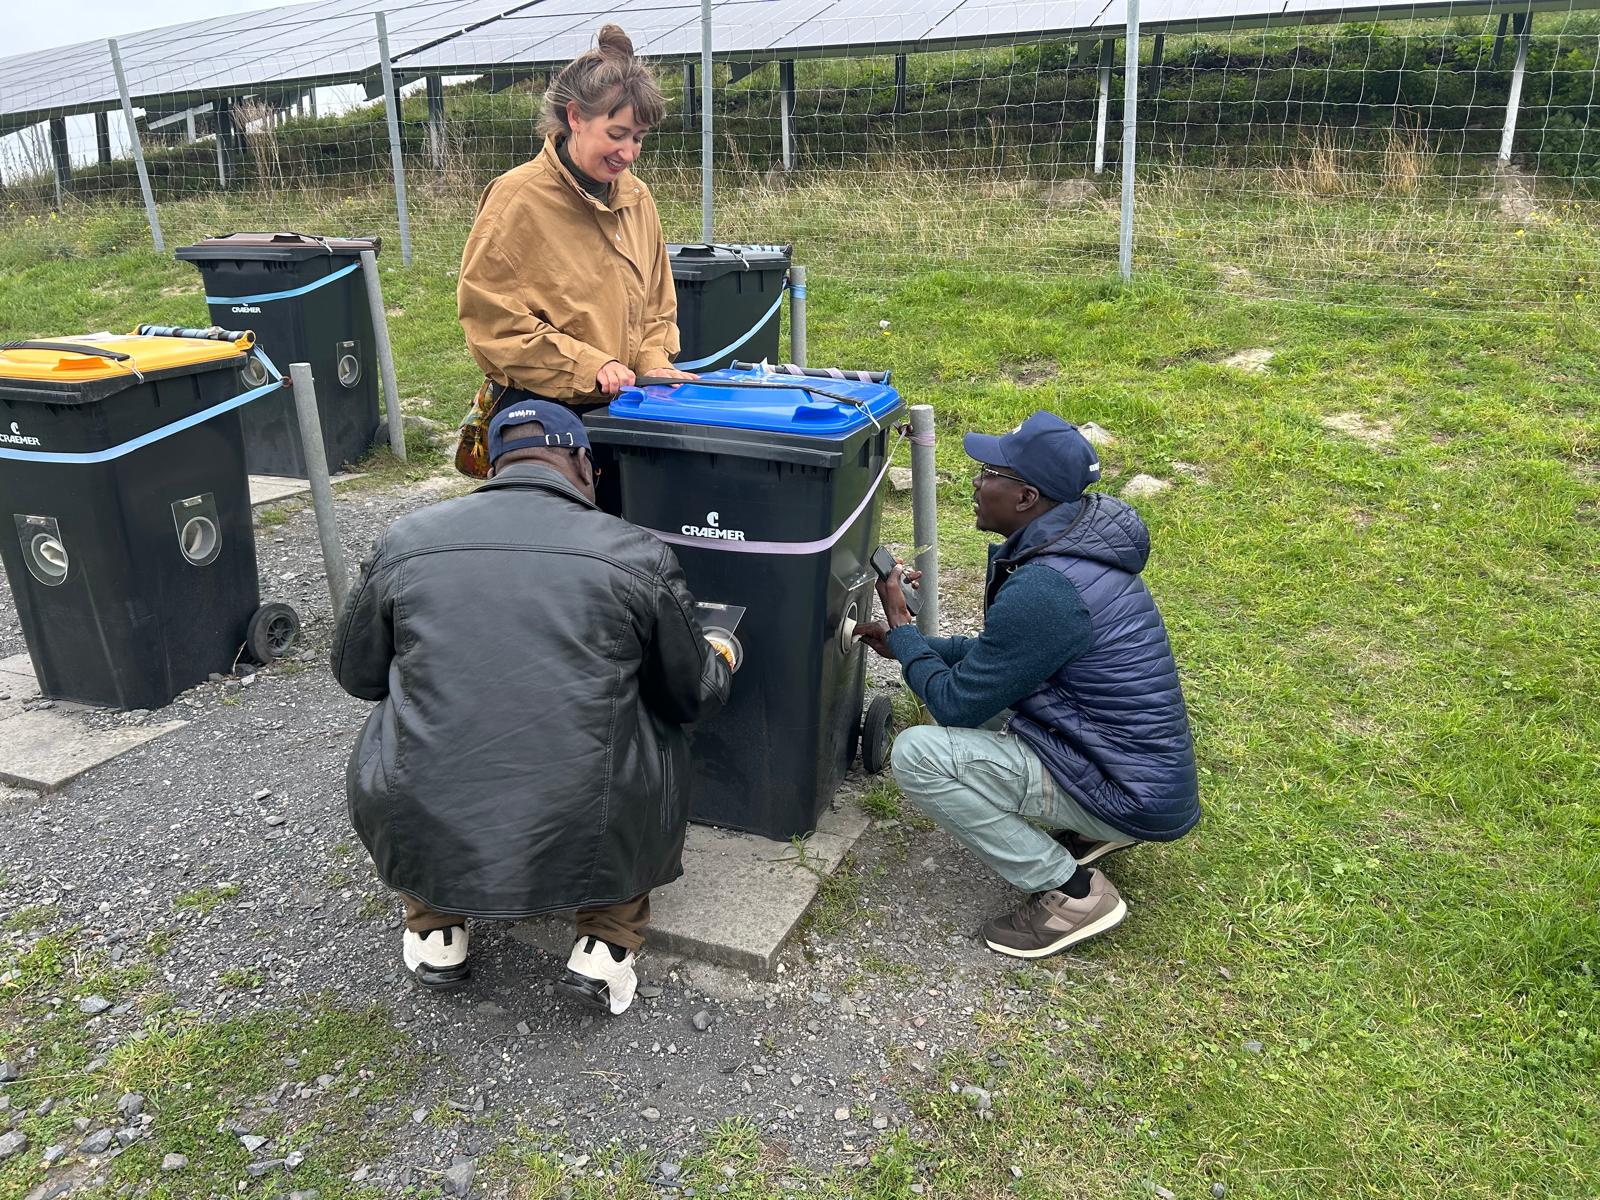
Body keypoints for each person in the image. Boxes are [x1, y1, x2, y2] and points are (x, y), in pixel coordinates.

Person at [331, 402, 732, 1013]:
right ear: (580, 462)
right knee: (653, 716)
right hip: (587, 811)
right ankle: (605, 945)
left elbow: (357, 676)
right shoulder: (635, 554)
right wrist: (721, 653)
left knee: (404, 716)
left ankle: (435, 928)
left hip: (430, 804)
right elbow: (690, 695)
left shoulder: (404, 540)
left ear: (496, 464)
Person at [855, 412, 1199, 959]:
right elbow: (1003, 660)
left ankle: (1072, 892)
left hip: (1126, 789)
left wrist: (902, 627)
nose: (974, 482)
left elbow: (953, 704)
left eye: (988, 471)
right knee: (983, 698)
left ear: (1024, 497)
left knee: (918, 754)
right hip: (1133, 767)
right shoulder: (1070, 552)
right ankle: (1094, 831)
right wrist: (909, 647)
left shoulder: (1048, 586)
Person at [457, 24, 695, 512]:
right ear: (575, 118)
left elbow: (656, 300)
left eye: (639, 138)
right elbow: (492, 322)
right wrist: (590, 364)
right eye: (616, 134)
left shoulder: (637, 196)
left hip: (626, 410)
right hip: (542, 418)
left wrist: (653, 360)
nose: (627, 153)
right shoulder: (516, 200)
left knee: (633, 543)